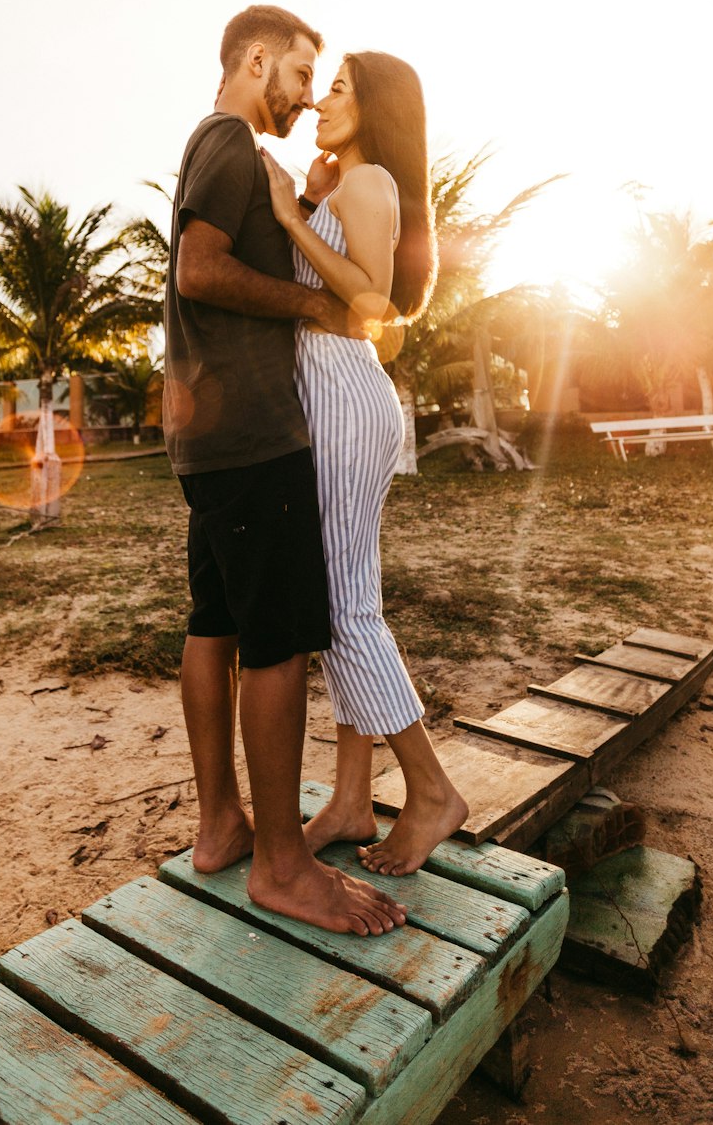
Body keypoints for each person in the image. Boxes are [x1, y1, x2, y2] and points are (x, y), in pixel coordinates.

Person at [163, 5, 407, 936]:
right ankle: (280, 863)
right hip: (254, 432)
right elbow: (201, 270)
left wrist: (301, 210)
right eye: (302, 75)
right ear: (256, 59)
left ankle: (222, 826)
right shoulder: (229, 141)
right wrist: (309, 302)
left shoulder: (219, 148)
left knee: (215, 622)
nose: (307, 98)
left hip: (209, 432)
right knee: (279, 641)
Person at [260, 50, 469, 877]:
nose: (320, 100)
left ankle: (430, 791)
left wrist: (291, 216)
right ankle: (350, 798)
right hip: (337, 393)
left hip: (345, 396)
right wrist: (312, 199)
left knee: (344, 604)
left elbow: (374, 299)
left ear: (373, 104)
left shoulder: (371, 181)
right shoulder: (346, 185)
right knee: (349, 593)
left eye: (337, 87)